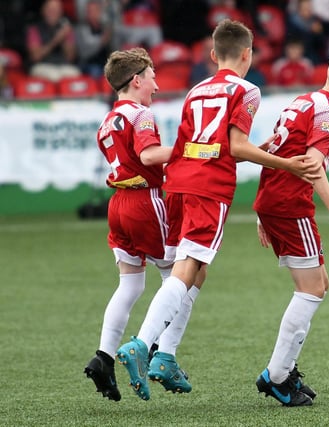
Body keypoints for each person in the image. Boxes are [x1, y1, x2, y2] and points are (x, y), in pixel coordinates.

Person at [115, 19, 321, 401]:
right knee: (187, 269)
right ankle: (144, 344)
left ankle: (166, 356)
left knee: (196, 270)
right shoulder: (247, 90)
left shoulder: (196, 89)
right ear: (248, 54)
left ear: (212, 56)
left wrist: (258, 148)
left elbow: (204, 144)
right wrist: (288, 164)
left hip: (177, 182)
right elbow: (236, 146)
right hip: (209, 189)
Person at [254, 50, 329, 407]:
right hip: (291, 204)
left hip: (275, 202)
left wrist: (262, 210)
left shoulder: (303, 101)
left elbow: (275, 150)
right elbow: (310, 163)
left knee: (318, 284)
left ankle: (281, 369)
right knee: (312, 289)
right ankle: (276, 376)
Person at [84, 47, 193, 401]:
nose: (156, 86)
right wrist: (190, 149)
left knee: (129, 286)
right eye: (152, 77)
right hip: (145, 201)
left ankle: (103, 357)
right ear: (136, 80)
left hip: (118, 204)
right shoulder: (140, 115)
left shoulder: (108, 119)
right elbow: (148, 156)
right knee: (180, 277)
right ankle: (161, 354)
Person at [26, 0, 81, 82]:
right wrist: (56, 39)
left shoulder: (65, 28)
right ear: (43, 11)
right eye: (50, 10)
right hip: (42, 65)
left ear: (61, 12)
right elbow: (36, 56)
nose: (53, 13)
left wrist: (64, 38)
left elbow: (70, 57)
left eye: (56, 10)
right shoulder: (34, 29)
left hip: (62, 65)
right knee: (54, 76)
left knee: (75, 73)